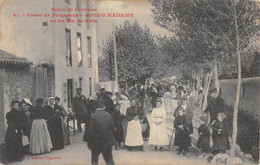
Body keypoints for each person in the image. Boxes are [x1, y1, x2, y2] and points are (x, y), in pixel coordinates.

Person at [87, 98, 115, 165]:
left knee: (94, 160)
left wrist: (89, 143)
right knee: (109, 160)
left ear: (95, 106)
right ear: (103, 106)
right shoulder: (108, 115)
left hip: (96, 142)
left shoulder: (93, 117)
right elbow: (113, 128)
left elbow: (90, 132)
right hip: (107, 142)